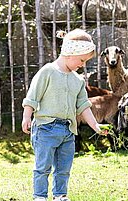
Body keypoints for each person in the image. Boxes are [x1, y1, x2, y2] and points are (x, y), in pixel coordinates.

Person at [21, 29, 108, 201]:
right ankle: (40, 196)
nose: (83, 65)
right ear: (70, 53)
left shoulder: (78, 80)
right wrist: (27, 116)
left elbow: (84, 106)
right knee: (42, 166)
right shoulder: (48, 72)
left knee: (63, 168)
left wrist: (95, 126)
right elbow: (32, 96)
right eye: (82, 60)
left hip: (68, 131)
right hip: (45, 129)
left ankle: (60, 195)